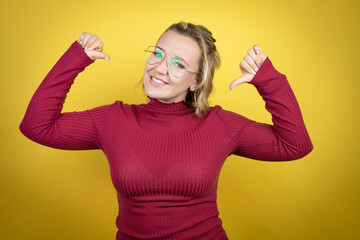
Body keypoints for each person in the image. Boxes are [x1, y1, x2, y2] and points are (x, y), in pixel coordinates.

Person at [19, 21, 313, 240]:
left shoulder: (220, 125)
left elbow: (295, 145)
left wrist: (269, 81)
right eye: (157, 54)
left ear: (196, 82)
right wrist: (75, 59)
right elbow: (37, 126)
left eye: (177, 64)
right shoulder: (113, 119)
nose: (159, 68)